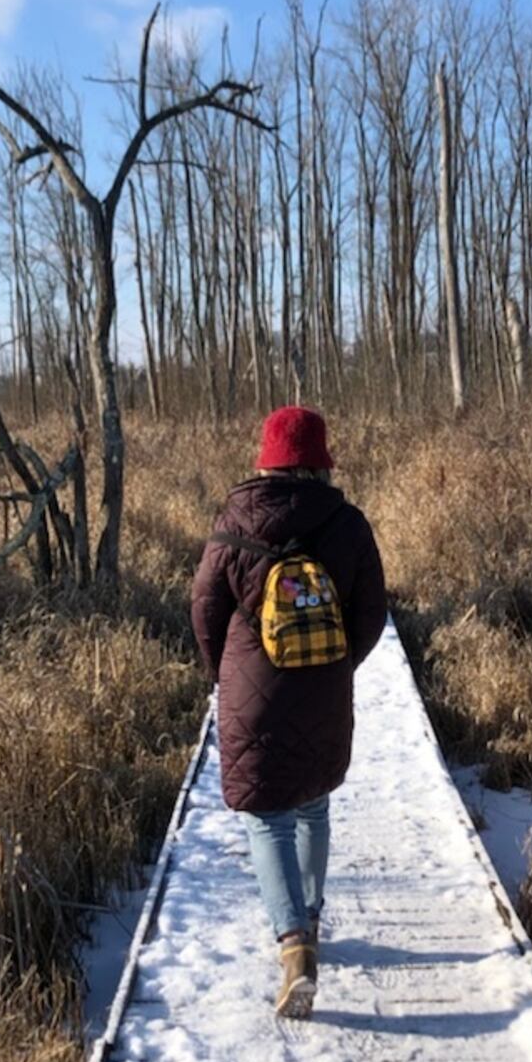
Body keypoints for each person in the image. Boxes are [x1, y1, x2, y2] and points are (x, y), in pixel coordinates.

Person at [190, 406, 388, 1018]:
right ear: (321, 461)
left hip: (252, 687)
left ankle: (294, 941)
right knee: (312, 805)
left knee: (266, 817)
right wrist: (339, 665)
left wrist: (223, 671)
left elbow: (203, 607)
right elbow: (373, 610)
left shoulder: (234, 519)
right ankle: (312, 920)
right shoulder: (347, 522)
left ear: (266, 458)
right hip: (324, 682)